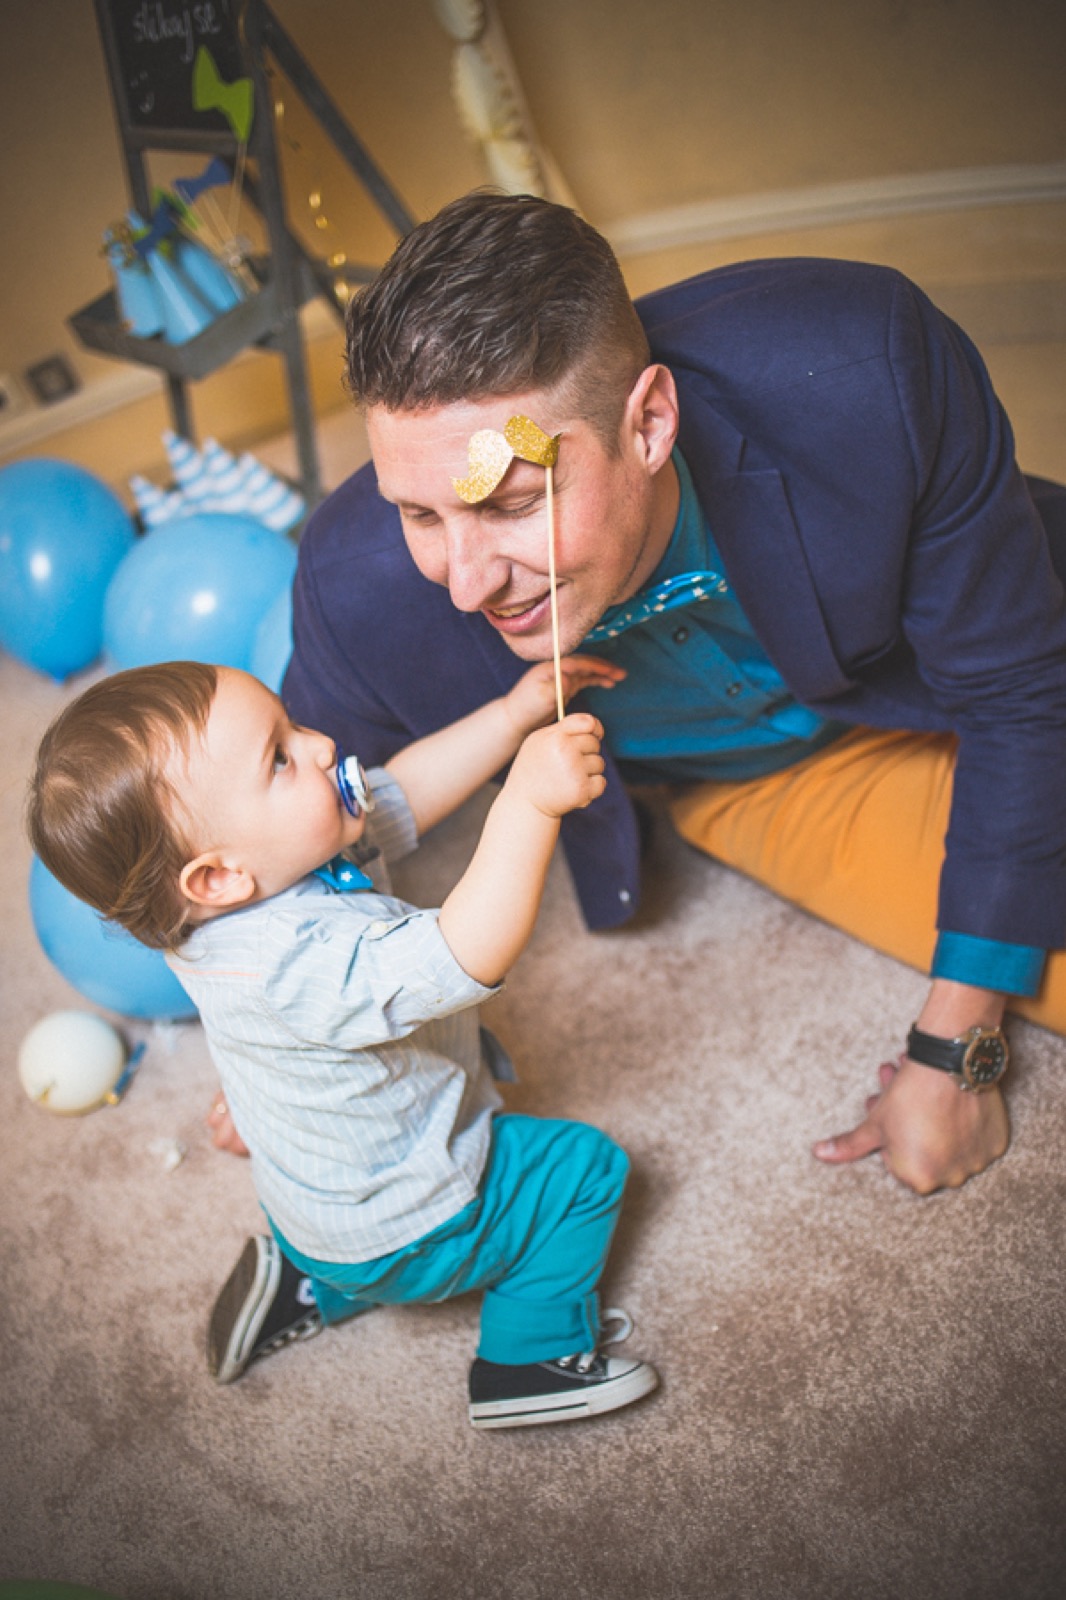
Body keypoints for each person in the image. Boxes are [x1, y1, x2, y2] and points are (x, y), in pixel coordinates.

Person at [282, 189, 1066, 1199]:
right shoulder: (358, 589)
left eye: (514, 503)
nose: (465, 583)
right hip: (751, 786)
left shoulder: (866, 365)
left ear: (648, 422)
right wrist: (285, 1049)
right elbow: (282, 833)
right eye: (420, 514)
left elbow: (1016, 686)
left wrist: (957, 1051)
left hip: (945, 672)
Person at [28, 655, 662, 1430]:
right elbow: (468, 950)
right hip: (412, 1222)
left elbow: (408, 789)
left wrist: (509, 716)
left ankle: (309, 1280)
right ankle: (526, 1360)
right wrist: (528, 804)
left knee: (336, 1214)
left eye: (290, 723)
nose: (322, 745)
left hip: (310, 1204)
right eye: (281, 757)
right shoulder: (296, 962)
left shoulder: (264, 867)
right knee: (582, 1171)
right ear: (218, 878)